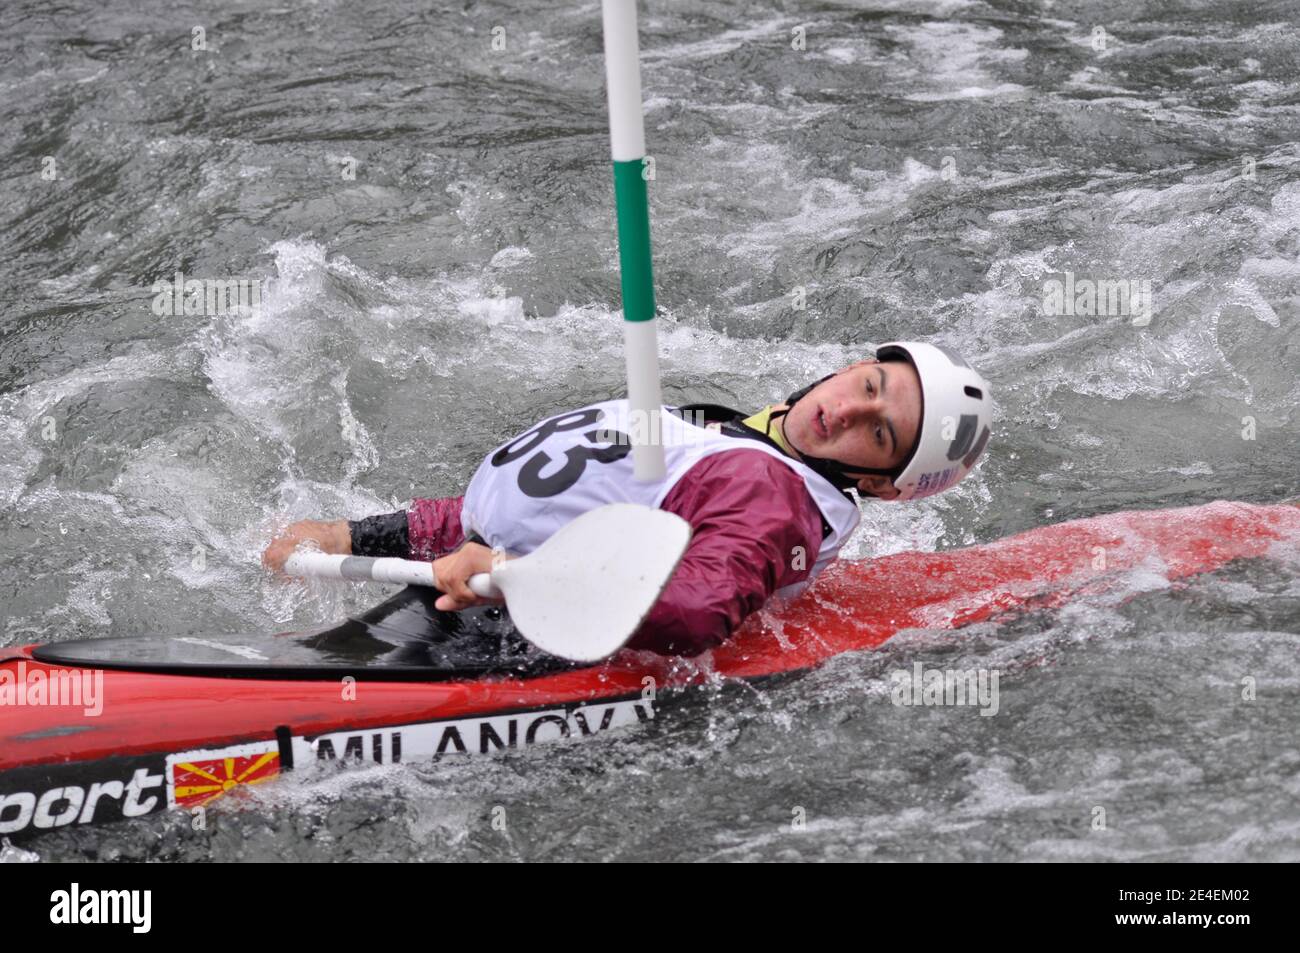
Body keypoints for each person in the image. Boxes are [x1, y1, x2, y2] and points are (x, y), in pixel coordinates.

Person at [262, 341, 993, 656]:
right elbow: (529, 503)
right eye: (868, 386)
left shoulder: (772, 495)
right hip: (481, 597)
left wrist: (510, 572)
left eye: (879, 433)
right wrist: (355, 535)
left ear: (877, 484)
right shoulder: (727, 433)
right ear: (853, 365)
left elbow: (701, 607)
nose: (850, 411)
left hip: (528, 636)